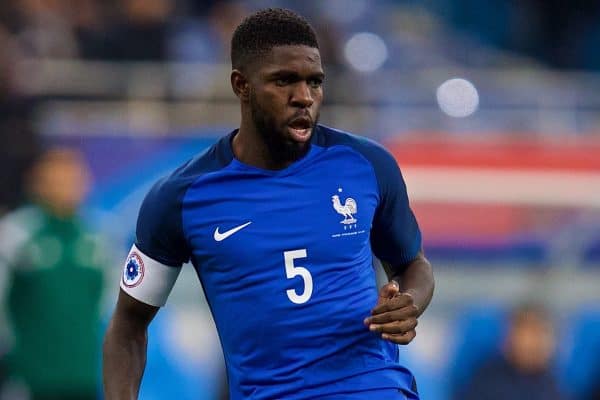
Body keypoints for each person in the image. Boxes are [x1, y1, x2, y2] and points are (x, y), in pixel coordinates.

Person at [103, 8, 434, 400]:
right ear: (241, 85)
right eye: (284, 81)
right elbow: (128, 325)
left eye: (315, 82)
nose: (304, 97)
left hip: (372, 388)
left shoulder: (367, 165)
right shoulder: (182, 197)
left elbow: (412, 265)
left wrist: (409, 302)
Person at [0, 148, 105, 400]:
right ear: (38, 184)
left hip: (84, 375)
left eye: (73, 178)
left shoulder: (99, 236)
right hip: (31, 377)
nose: (66, 187)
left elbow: (109, 306)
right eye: (57, 180)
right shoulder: (15, 234)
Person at [455, 303, 565, 400]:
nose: (532, 342)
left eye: (539, 333)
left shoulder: (552, 383)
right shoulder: (489, 380)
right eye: (527, 332)